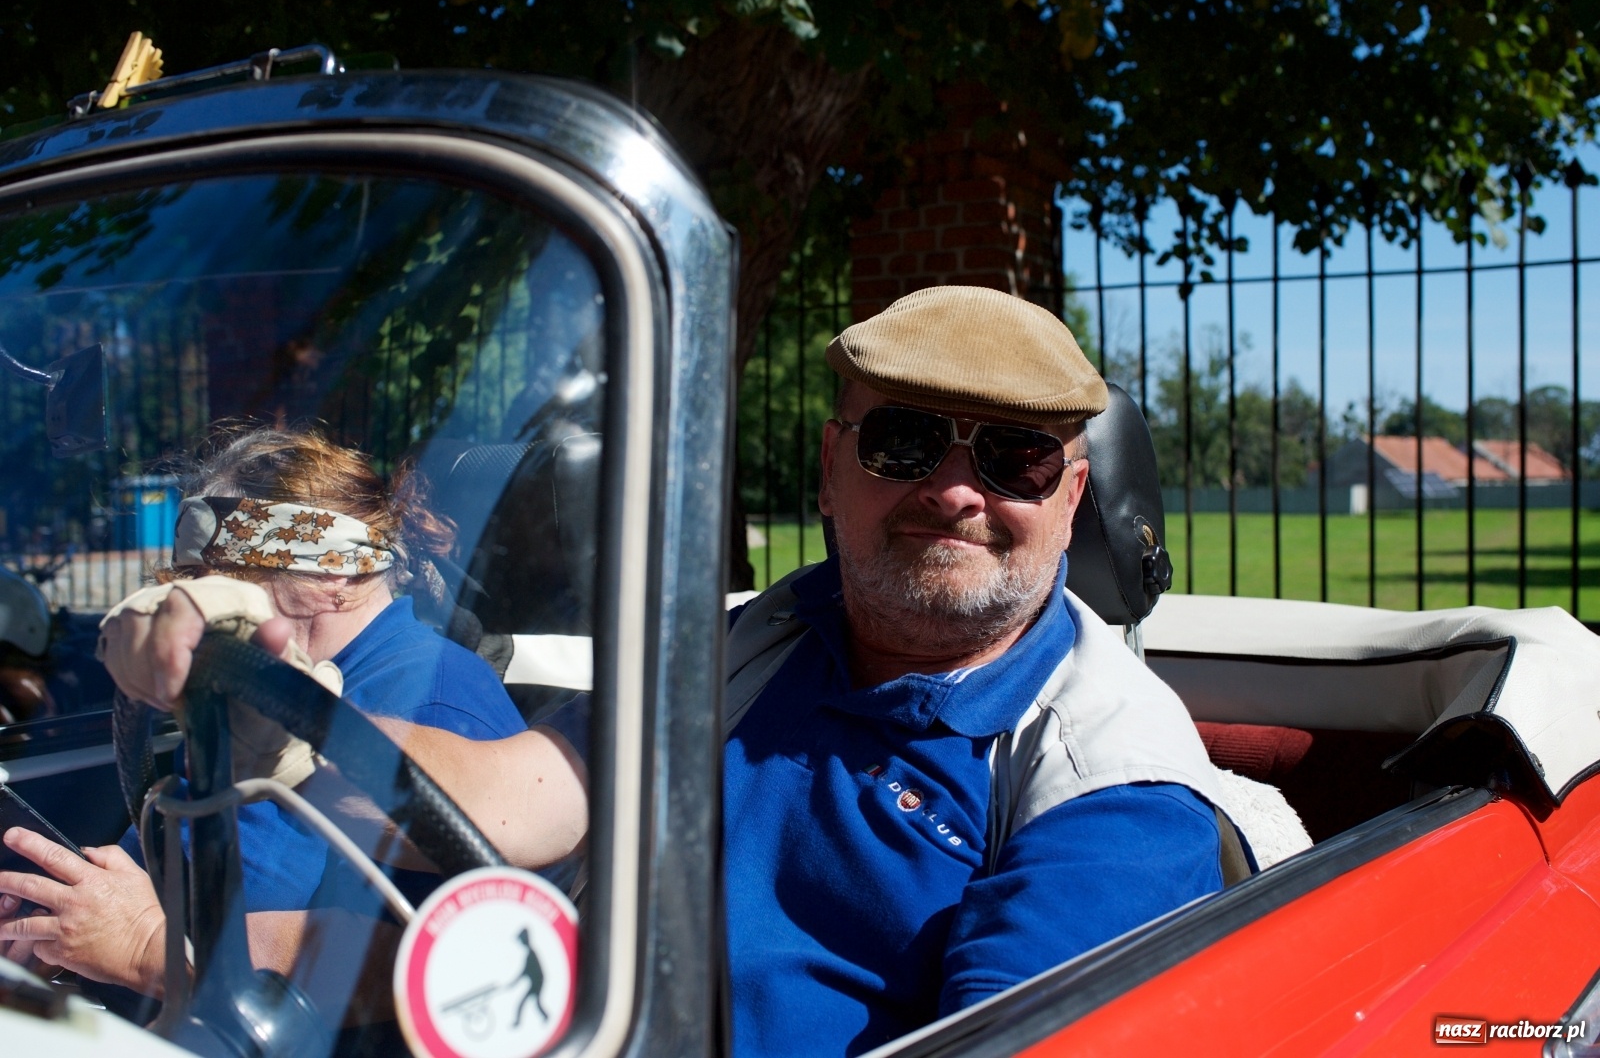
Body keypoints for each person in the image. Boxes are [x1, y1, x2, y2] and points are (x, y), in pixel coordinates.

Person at [77, 287, 1244, 1055]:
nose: (954, 491)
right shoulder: (752, 649)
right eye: (902, 443)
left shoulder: (1112, 788)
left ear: (1070, 496)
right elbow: (508, 797)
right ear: (833, 471)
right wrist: (260, 701)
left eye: (1014, 458)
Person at [0, 427, 576, 998]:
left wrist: (147, 942)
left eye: (234, 580)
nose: (209, 607)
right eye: (198, 582)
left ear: (336, 572)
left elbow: (434, 961)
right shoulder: (259, 680)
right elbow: (162, 858)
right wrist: (56, 922)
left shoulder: (435, 702)